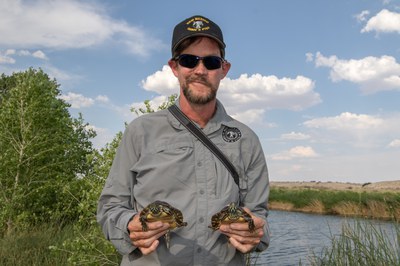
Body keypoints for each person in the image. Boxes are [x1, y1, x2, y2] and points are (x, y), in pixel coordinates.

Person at [97, 15, 270, 265]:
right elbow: (109, 207)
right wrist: (128, 226)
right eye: (189, 60)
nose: (200, 70)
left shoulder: (247, 140)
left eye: (211, 62)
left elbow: (260, 215)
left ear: (224, 69)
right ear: (174, 67)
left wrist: (256, 233)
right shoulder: (140, 131)